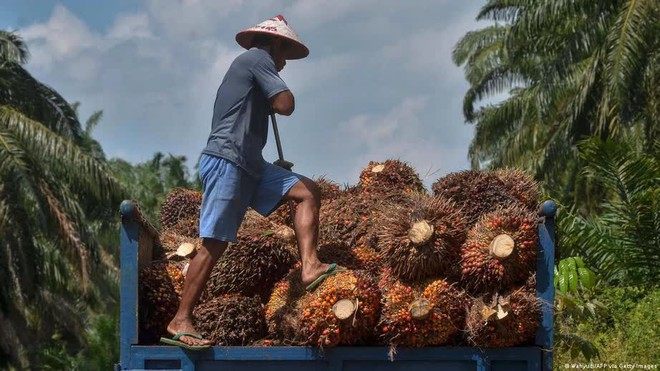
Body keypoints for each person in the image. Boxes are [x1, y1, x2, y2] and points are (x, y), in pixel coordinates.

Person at [161, 15, 341, 349]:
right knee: (215, 243)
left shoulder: (253, 69)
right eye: (285, 55)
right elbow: (286, 104)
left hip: (249, 165)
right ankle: (180, 319)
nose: (285, 64)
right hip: (228, 161)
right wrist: (273, 93)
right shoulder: (257, 59)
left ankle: (310, 266)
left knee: (306, 192)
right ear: (276, 45)